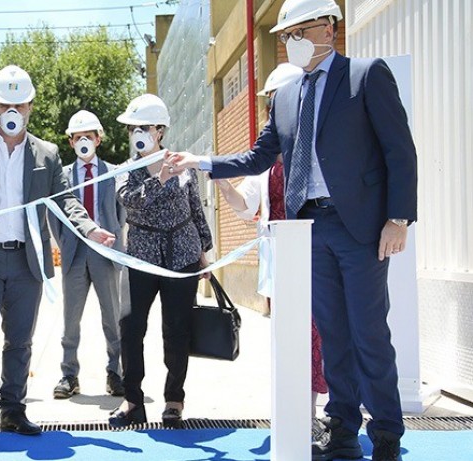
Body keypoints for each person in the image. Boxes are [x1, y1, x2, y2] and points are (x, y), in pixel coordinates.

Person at [167, 1, 417, 459]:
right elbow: (257, 158)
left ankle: (386, 435)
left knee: (369, 334)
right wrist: (200, 162)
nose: (291, 43)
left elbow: (400, 151)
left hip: (361, 229)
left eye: (299, 32)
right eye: (285, 36)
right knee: (333, 334)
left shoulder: (365, 75)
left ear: (328, 27)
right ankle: (342, 431)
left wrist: (397, 219)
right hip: (310, 231)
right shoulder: (285, 97)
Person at [0, 65, 116, 450]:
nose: (12, 110)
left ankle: (14, 410)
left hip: (26, 261)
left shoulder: (47, 154)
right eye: (5, 104)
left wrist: (89, 229)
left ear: (30, 105)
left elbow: (66, 199)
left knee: (20, 340)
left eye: (19, 103)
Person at [214, 62, 328, 436]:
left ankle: (315, 416)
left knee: (317, 338)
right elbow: (247, 206)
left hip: (317, 260)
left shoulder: (315, 151)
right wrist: (224, 186)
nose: (273, 112)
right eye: (270, 106)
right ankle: (295, 416)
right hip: (282, 267)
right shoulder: (266, 162)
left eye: (279, 102)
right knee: (288, 339)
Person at [109, 94, 213, 430]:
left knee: (177, 330)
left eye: (144, 127)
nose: (137, 134)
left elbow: (195, 209)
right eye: (132, 129)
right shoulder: (126, 171)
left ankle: (173, 401)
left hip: (181, 255)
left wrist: (204, 253)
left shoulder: (181, 163)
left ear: (160, 131)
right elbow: (131, 202)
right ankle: (133, 400)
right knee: (130, 327)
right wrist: (160, 179)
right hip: (141, 256)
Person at [50, 110, 126, 399]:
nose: (84, 141)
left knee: (112, 316)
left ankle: (115, 373)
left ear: (98, 139)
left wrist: (113, 242)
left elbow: (121, 214)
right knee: (71, 319)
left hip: (105, 254)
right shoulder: (63, 176)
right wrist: (67, 244)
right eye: (78, 137)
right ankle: (69, 375)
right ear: (71, 142)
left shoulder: (113, 173)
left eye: (89, 136)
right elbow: (54, 217)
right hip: (74, 256)